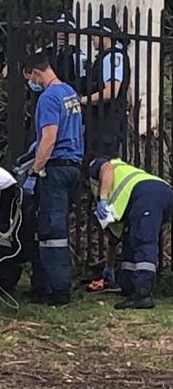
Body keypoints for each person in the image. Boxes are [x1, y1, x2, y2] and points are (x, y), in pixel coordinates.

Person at [22, 52, 83, 305]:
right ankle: (43, 283)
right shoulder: (70, 92)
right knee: (49, 226)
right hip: (72, 165)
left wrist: (35, 169)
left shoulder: (47, 98)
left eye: (30, 78)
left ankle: (57, 290)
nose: (31, 84)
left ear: (36, 73)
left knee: (51, 229)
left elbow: (49, 138)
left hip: (54, 168)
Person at [90, 157, 173, 309]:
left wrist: (102, 199)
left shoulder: (103, 168)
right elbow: (115, 239)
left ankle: (142, 293)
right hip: (157, 193)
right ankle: (129, 287)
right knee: (130, 238)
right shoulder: (121, 202)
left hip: (147, 194)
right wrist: (109, 266)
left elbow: (107, 167)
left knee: (143, 240)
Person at [80, 18, 130, 158]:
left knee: (103, 165)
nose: (92, 39)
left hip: (107, 123)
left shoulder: (113, 57)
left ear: (106, 36)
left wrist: (82, 100)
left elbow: (110, 92)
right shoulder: (103, 58)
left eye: (95, 35)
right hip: (99, 122)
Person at [50, 12, 87, 92]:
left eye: (66, 30)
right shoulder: (43, 52)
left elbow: (83, 83)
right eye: (59, 29)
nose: (62, 34)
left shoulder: (78, 56)